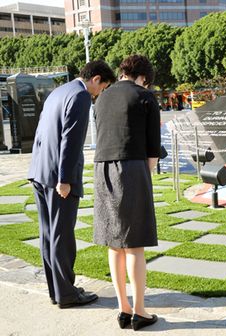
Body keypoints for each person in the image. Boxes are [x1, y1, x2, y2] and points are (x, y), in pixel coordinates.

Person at [28, 60, 116, 308]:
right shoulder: (80, 96)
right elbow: (71, 140)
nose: (101, 93)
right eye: (104, 87)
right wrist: (65, 179)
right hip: (58, 177)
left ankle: (57, 290)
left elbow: (42, 132)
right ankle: (67, 294)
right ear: (96, 79)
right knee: (62, 236)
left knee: (48, 234)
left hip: (40, 171)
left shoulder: (59, 91)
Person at [92, 55, 161, 331]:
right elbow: (153, 155)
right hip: (132, 167)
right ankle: (140, 311)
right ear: (143, 76)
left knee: (114, 241)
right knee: (135, 242)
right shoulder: (145, 96)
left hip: (101, 169)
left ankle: (123, 308)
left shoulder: (101, 98)